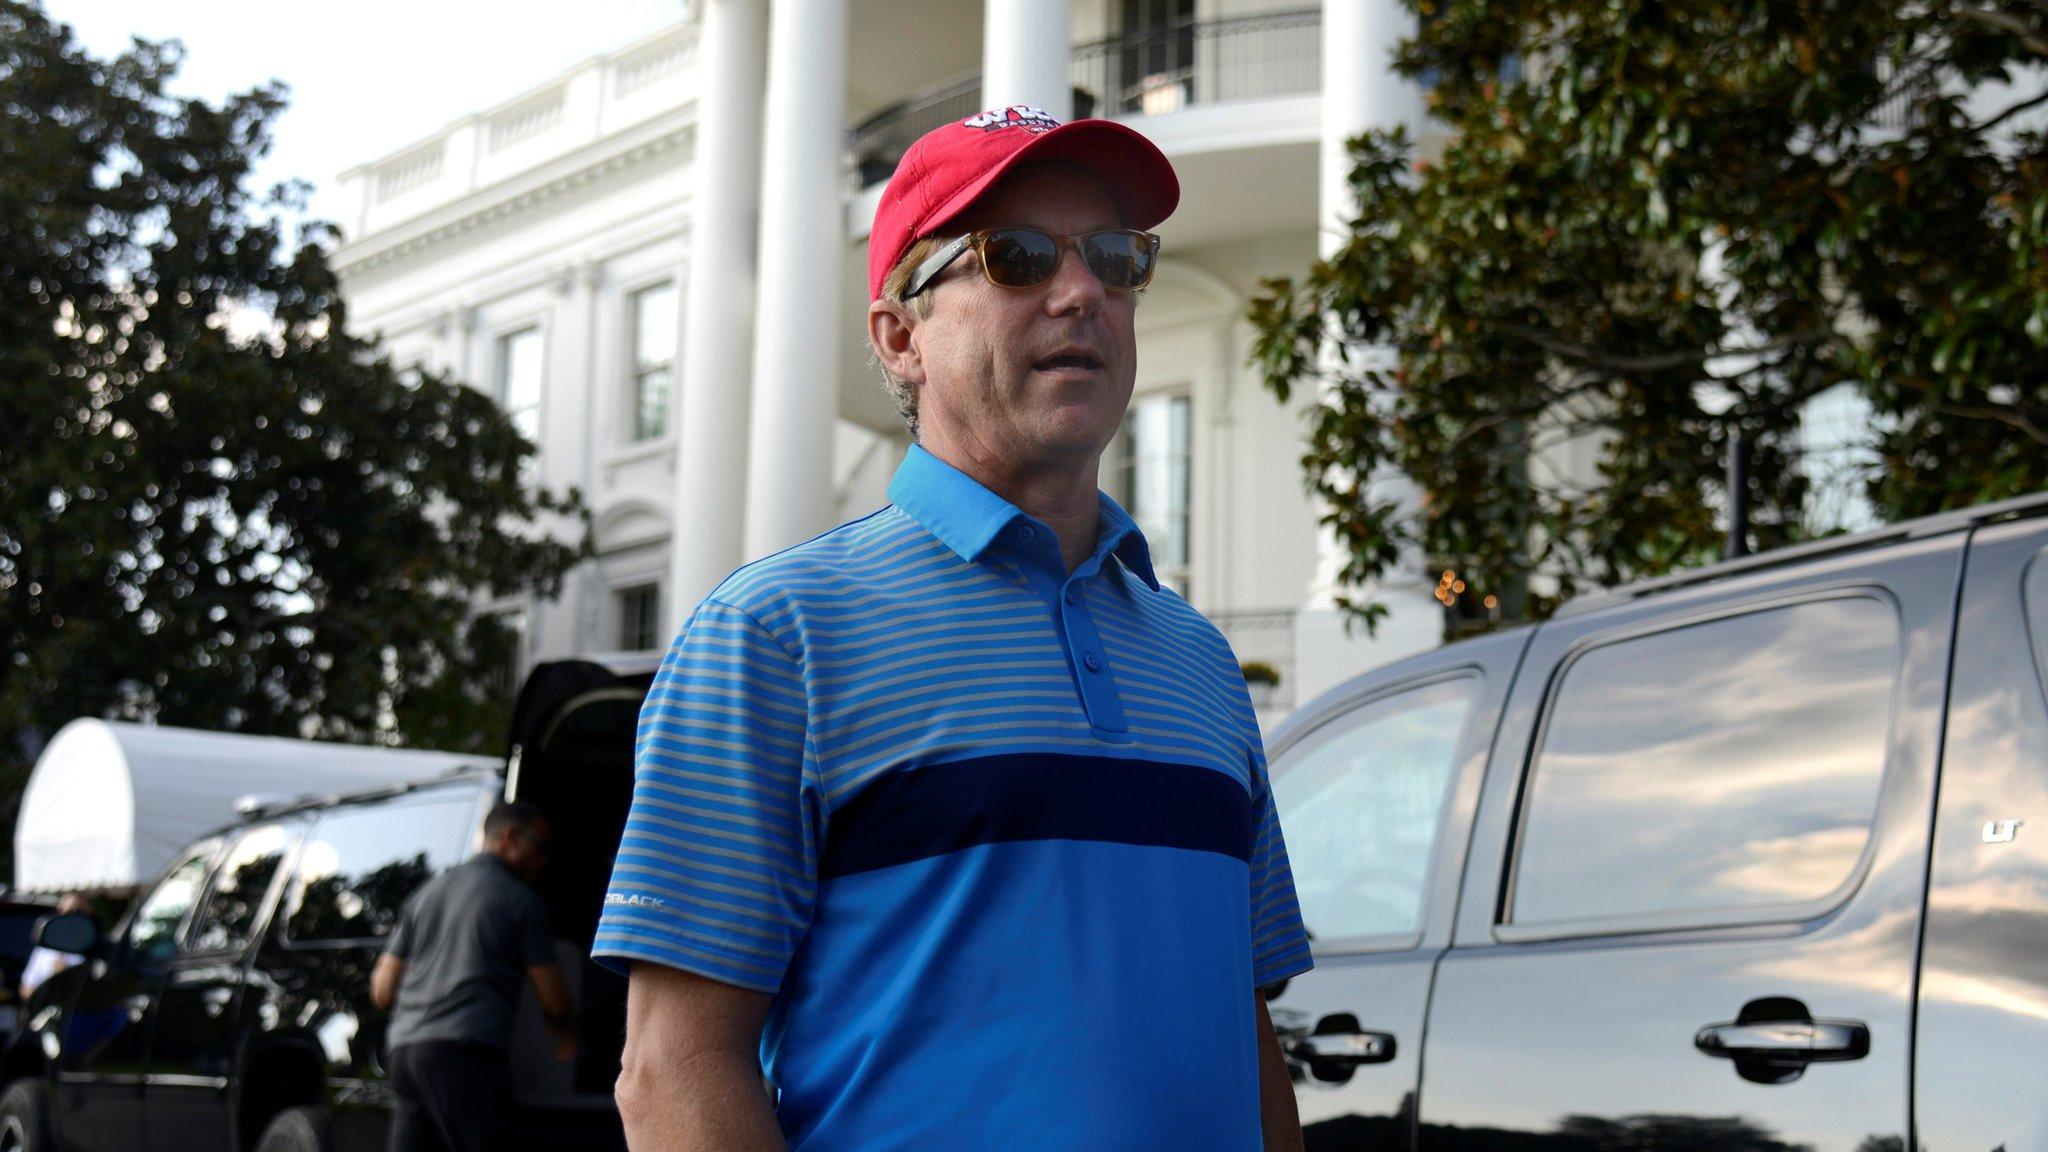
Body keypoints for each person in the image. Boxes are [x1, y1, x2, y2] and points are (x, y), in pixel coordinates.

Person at [593, 105, 1313, 1152]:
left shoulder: (1195, 660)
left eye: (1113, 259)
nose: (1082, 293)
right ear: (900, 335)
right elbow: (672, 1074)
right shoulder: (774, 636)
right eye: (1015, 257)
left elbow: (1241, 1036)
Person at [371, 800, 577, 1152]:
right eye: (540, 849)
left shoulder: (425, 894)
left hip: (404, 1053)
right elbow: (553, 996)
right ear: (509, 837)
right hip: (464, 1055)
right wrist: (566, 1029)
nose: (543, 861)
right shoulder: (521, 901)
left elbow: (382, 990)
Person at [18, 892, 92, 1000]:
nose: (74, 917)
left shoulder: (93, 947)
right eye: (69, 911)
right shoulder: (46, 949)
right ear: (60, 913)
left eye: (80, 912)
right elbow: (25, 989)